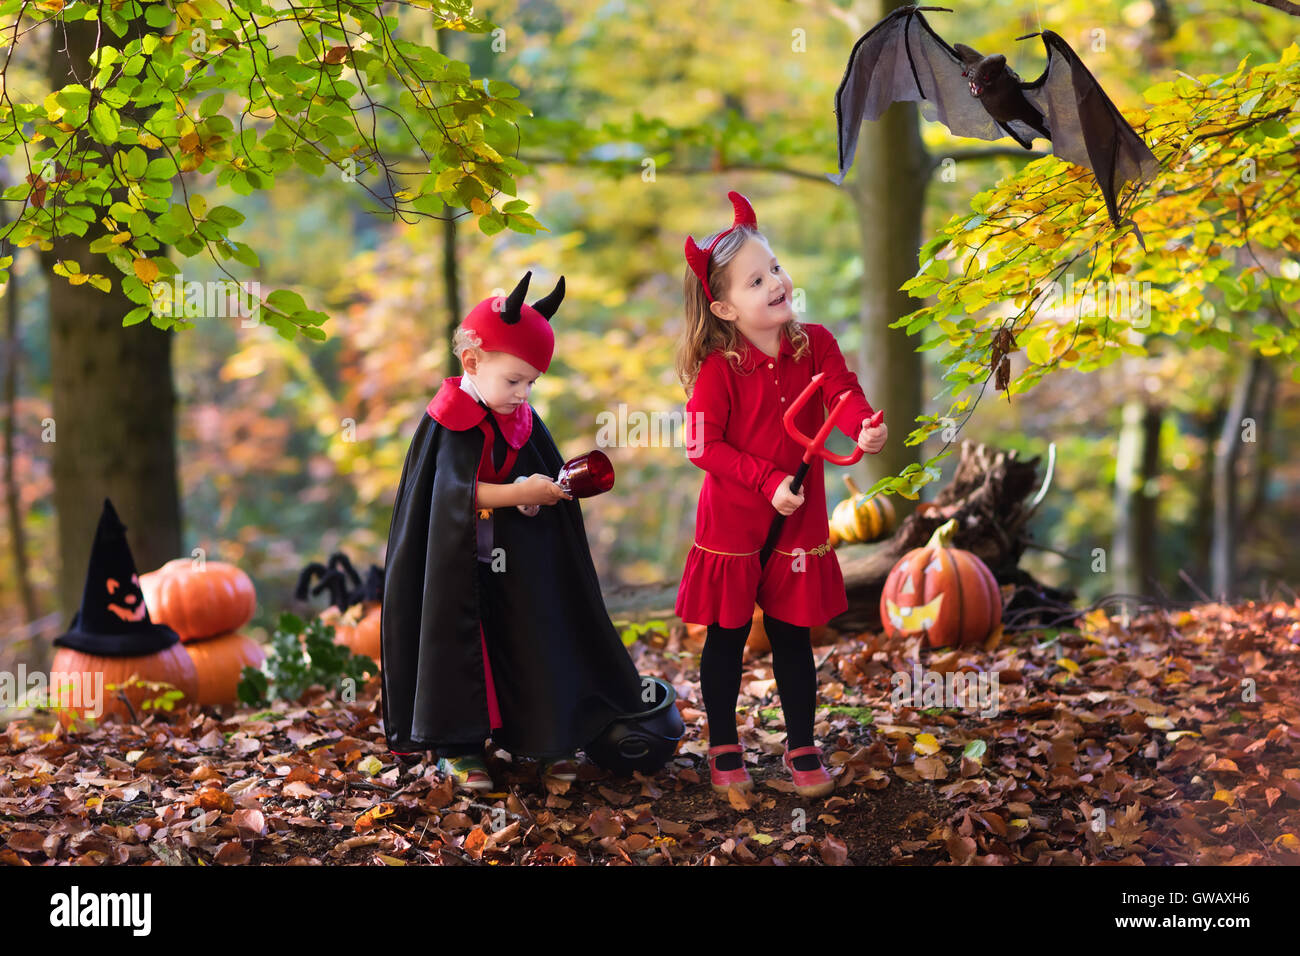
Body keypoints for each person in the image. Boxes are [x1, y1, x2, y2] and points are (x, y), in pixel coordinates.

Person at [381, 272, 647, 792]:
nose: (523, 394)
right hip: (456, 568)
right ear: (473, 362)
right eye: (513, 381)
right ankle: (458, 748)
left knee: (532, 635)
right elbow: (455, 496)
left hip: (512, 563)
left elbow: (523, 477)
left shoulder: (519, 414)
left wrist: (536, 501)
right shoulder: (449, 419)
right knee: (462, 647)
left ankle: (543, 739)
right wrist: (519, 493)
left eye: (531, 382)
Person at [675, 191, 888, 798]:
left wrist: (865, 424)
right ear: (723, 307)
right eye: (755, 280)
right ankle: (722, 745)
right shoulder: (719, 371)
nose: (775, 282)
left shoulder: (814, 344)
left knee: (793, 633)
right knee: (728, 634)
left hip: (798, 523)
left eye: (774, 269)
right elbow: (700, 447)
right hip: (735, 523)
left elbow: (843, 394)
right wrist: (767, 482)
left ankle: (800, 744)